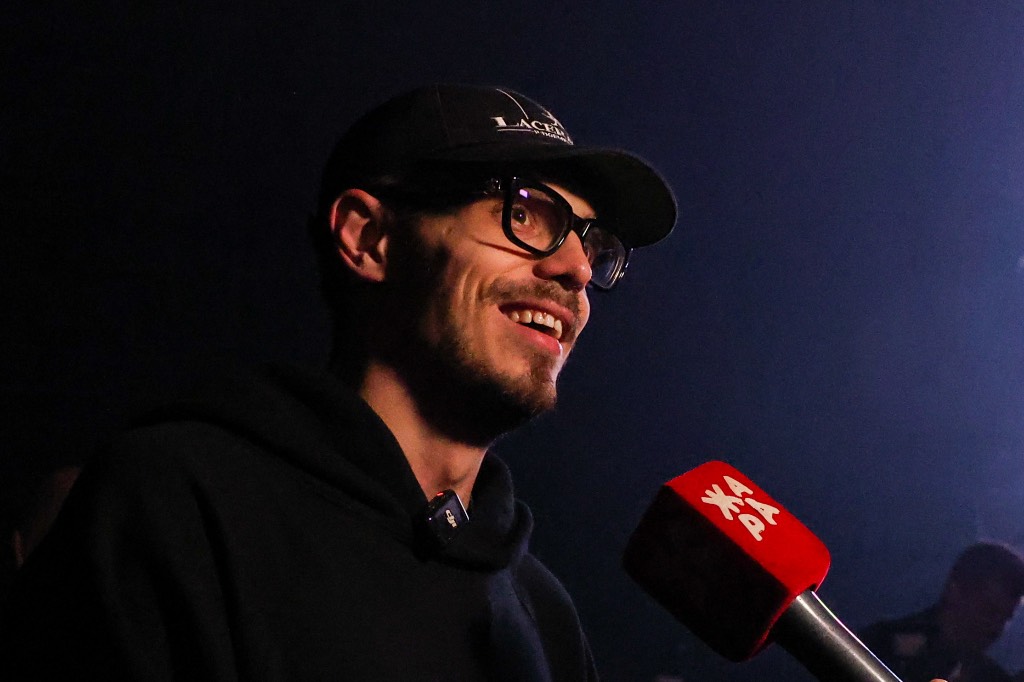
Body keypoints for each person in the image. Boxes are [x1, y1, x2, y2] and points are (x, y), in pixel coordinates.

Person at [0, 84, 677, 680]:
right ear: (369, 239)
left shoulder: (545, 617)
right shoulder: (180, 502)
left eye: (592, 245)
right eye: (525, 214)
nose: (576, 270)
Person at [860, 541, 1024, 682]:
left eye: (1006, 618)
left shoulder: (993, 679)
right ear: (955, 591)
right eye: (989, 610)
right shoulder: (877, 648)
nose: (996, 628)